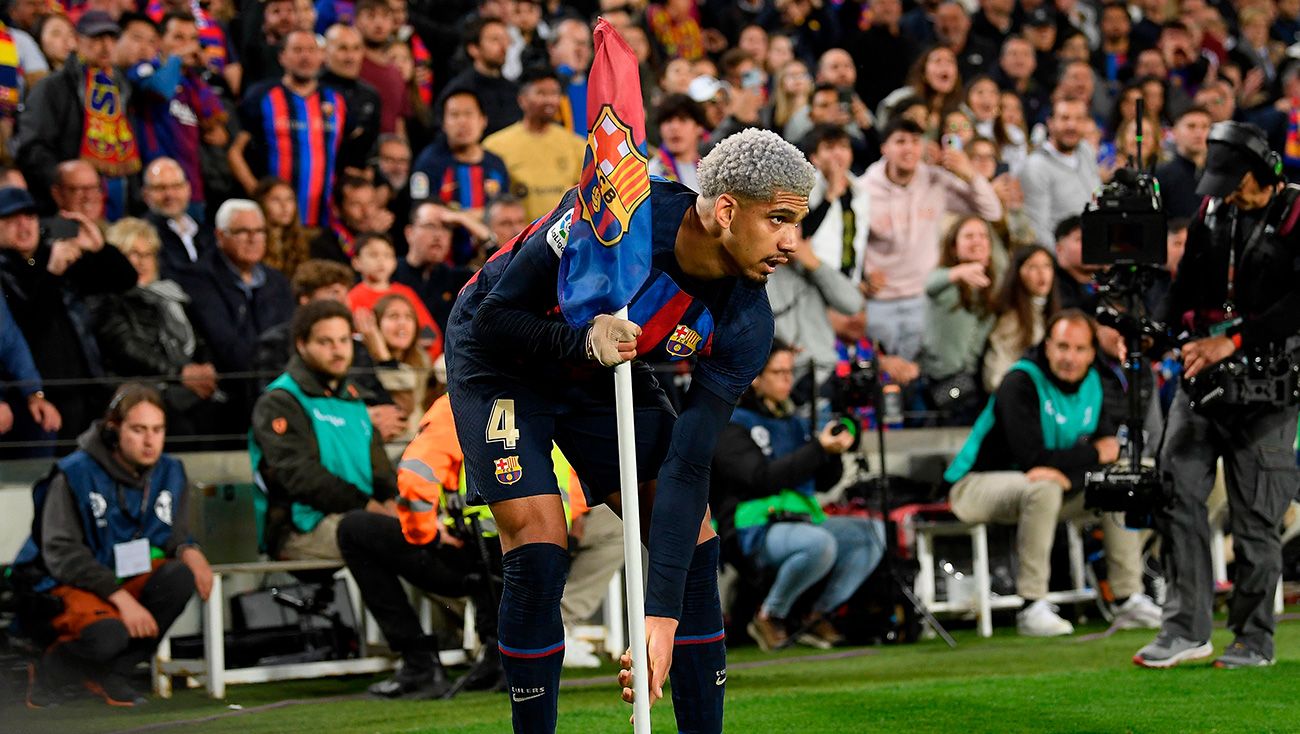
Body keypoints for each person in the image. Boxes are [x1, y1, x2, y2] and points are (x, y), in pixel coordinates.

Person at [444, 128, 815, 734]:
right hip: (500, 358)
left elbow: (689, 466)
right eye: (778, 219)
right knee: (540, 545)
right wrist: (577, 341)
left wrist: (659, 618)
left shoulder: (746, 321)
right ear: (726, 210)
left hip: (602, 368)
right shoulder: (614, 214)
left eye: (797, 223)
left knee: (693, 540)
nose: (792, 243)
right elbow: (494, 319)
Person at [1135, 122, 1300, 669]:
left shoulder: (1299, 214)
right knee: (1175, 490)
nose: (1228, 192)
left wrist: (1234, 340)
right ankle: (1185, 629)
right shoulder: (1212, 212)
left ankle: (1253, 639)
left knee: (1255, 518)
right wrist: (1155, 329)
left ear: (1264, 174)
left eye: (1236, 183)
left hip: (1270, 388)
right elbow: (1185, 286)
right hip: (1205, 379)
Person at [944, 310, 1160, 637]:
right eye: (1062, 347)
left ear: (1091, 353)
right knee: (1043, 486)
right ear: (1047, 347)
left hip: (1055, 487)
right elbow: (1033, 458)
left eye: (1079, 349)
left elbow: (1108, 454)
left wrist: (1074, 475)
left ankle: (1127, 596)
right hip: (976, 485)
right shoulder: (1021, 381)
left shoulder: (1094, 384)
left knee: (1127, 477)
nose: (1069, 357)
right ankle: (1031, 605)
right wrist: (1088, 458)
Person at [16, 384, 212, 707]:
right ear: (112, 431)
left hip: (122, 576)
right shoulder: (74, 473)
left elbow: (174, 536)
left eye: (157, 430)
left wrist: (190, 551)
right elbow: (61, 554)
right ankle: (49, 672)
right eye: (138, 430)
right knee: (110, 634)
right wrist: (121, 599)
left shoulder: (170, 472)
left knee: (179, 577)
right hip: (63, 583)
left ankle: (113, 675)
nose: (150, 441)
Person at [711, 340, 885, 651]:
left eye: (790, 372)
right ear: (755, 377)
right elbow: (760, 479)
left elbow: (822, 482)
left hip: (802, 518)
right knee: (820, 543)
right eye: (778, 372)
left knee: (871, 534)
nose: (787, 380)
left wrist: (833, 452)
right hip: (753, 525)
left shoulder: (795, 422)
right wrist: (817, 449)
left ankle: (816, 616)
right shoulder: (730, 423)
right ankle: (769, 616)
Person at [337, 394, 505, 700]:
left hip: (476, 557)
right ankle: (501, 655)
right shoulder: (539, 395)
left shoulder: (457, 404)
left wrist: (427, 535)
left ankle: (420, 664)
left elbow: (417, 477)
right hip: (538, 551)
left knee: (354, 530)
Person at [249, 300, 398, 560]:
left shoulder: (353, 398)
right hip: (300, 529)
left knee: (426, 541)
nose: (338, 350)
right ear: (301, 344)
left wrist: (391, 501)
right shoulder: (280, 400)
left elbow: (380, 468)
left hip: (363, 516)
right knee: (390, 544)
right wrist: (368, 506)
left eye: (343, 340)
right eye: (325, 342)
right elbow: (299, 475)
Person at [0, 186, 135, 444]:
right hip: (42, 394)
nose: (23, 226)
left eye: (29, 217)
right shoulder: (8, 272)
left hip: (85, 381)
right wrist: (51, 274)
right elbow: (23, 328)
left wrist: (99, 248)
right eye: (11, 220)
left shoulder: (52, 255)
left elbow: (125, 280)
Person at [863, 116, 1002, 362]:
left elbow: (992, 211)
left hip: (923, 299)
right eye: (900, 141)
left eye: (915, 141)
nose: (909, 148)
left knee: (918, 380)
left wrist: (970, 174)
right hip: (880, 304)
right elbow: (850, 242)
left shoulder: (935, 180)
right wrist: (861, 280)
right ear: (884, 147)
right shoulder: (864, 189)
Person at [90, 217, 221, 438]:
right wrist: (180, 374)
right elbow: (128, 349)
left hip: (183, 383)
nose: (141, 262)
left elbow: (199, 339)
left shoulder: (171, 296)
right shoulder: (110, 301)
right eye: (133, 254)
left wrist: (205, 368)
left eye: (147, 254)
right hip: (144, 387)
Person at [174, 199, 294, 426]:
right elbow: (224, 343)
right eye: (243, 231)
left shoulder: (277, 281)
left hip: (279, 388)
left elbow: (288, 336)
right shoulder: (199, 279)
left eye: (259, 231)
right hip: (230, 397)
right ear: (220, 236)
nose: (253, 238)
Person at [16, 11, 140, 219]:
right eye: (96, 38)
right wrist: (66, 187)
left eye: (111, 38)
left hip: (118, 204)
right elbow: (32, 147)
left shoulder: (122, 88)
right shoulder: (52, 87)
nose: (106, 45)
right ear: (76, 40)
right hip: (66, 207)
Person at [229, 30, 347, 229]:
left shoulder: (336, 100)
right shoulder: (261, 95)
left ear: (322, 56)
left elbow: (346, 158)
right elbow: (235, 153)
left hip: (322, 219)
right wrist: (258, 194)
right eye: (297, 50)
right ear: (282, 57)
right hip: (271, 221)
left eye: (311, 50)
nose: (305, 56)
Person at [920, 216, 999, 424]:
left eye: (983, 236)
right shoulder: (945, 282)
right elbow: (929, 285)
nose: (977, 241)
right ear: (954, 247)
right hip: (937, 381)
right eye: (969, 236)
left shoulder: (989, 287)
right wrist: (959, 272)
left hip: (970, 384)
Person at [483, 66, 584, 222]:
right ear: (522, 99)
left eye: (554, 93)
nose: (550, 100)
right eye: (541, 93)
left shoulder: (577, 145)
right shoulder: (495, 145)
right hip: (516, 239)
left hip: (562, 238)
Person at [1021, 97, 1102, 248]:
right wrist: (1062, 259)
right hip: (1065, 258)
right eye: (1065, 118)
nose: (1072, 125)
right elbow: (1037, 228)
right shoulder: (1036, 166)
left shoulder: (1086, 151)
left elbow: (1097, 197)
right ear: (1050, 123)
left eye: (1079, 119)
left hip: (1097, 247)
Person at [355, 293, 431, 441]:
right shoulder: (361, 362)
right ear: (376, 324)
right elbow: (400, 411)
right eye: (393, 316)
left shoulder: (422, 361)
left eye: (409, 317)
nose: (402, 323)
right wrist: (383, 356)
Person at [984, 245, 1057, 392]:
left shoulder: (1052, 312)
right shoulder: (1011, 320)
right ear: (1018, 273)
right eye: (1032, 267)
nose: (1042, 273)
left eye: (1047, 266)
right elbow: (995, 376)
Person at [394, 201, 474, 332]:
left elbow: (501, 273)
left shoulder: (459, 279)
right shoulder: (390, 272)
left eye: (446, 227)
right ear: (409, 233)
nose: (438, 235)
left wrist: (463, 219)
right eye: (430, 226)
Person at [440, 16, 519, 137]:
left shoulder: (514, 90)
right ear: (474, 49)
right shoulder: (459, 91)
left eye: (505, 39)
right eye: (494, 40)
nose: (503, 47)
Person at [143, 158, 213, 279]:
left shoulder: (206, 232)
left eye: (176, 186)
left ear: (188, 189)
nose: (169, 195)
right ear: (146, 194)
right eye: (160, 188)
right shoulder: (142, 237)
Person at [1154, 105, 1212, 219]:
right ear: (1174, 132)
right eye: (1191, 126)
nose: (1199, 133)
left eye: (1205, 127)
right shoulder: (1161, 176)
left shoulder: (1220, 174)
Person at [255, 177, 312, 279]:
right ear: (261, 204)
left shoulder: (306, 241)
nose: (284, 206)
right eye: (276, 200)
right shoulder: (254, 241)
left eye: (289, 199)